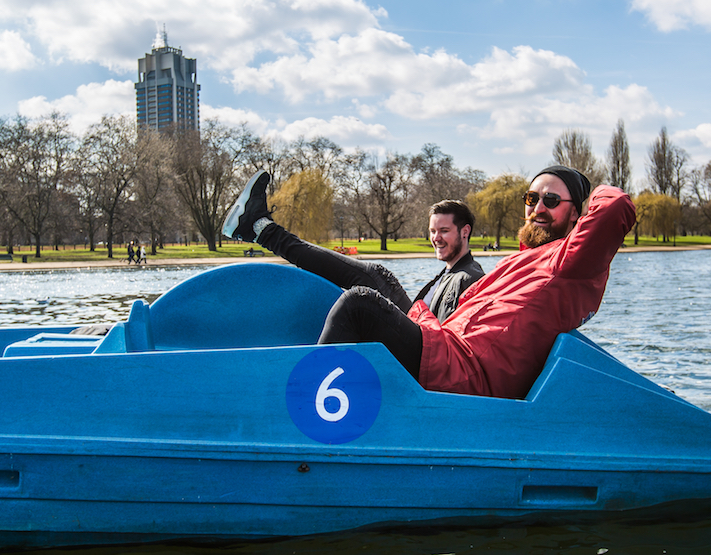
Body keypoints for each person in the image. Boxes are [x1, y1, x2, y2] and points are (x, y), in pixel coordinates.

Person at [230, 165, 635, 399]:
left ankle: (302, 410)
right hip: (444, 344)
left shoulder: (572, 264)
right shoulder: (526, 260)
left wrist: (591, 195)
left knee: (359, 303)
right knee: (375, 277)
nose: (538, 208)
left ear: (579, 216)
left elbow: (615, 205)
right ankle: (259, 227)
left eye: (552, 200)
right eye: (532, 199)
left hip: (462, 373)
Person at [223, 172, 484, 323]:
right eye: (432, 231)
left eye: (444, 231)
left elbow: (450, 340)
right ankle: (259, 228)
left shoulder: (468, 277)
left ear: (465, 231)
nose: (436, 238)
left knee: (376, 279)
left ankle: (259, 227)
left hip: (421, 341)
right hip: (416, 328)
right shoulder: (452, 273)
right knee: (376, 279)